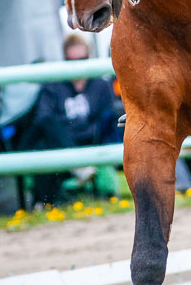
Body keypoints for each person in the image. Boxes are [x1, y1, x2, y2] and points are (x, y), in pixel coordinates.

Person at [19, 34, 123, 206]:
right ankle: (76, 172)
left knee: (48, 144)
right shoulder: (53, 86)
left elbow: (105, 120)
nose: (77, 65)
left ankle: (42, 203)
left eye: (82, 59)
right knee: (47, 135)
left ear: (88, 58)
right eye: (71, 60)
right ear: (65, 60)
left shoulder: (100, 85)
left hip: (88, 142)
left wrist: (75, 130)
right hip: (59, 143)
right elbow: (43, 119)